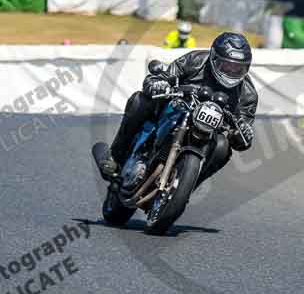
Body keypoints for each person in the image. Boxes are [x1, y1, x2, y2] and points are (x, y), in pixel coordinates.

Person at [99, 32, 257, 187]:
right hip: (177, 107)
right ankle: (115, 156)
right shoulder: (195, 60)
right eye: (227, 65)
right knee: (139, 101)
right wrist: (159, 83)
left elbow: (242, 136)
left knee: (222, 147)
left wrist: (241, 134)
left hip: (208, 133)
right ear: (214, 58)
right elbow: (162, 76)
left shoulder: (248, 94)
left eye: (239, 68)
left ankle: (189, 185)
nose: (232, 71)